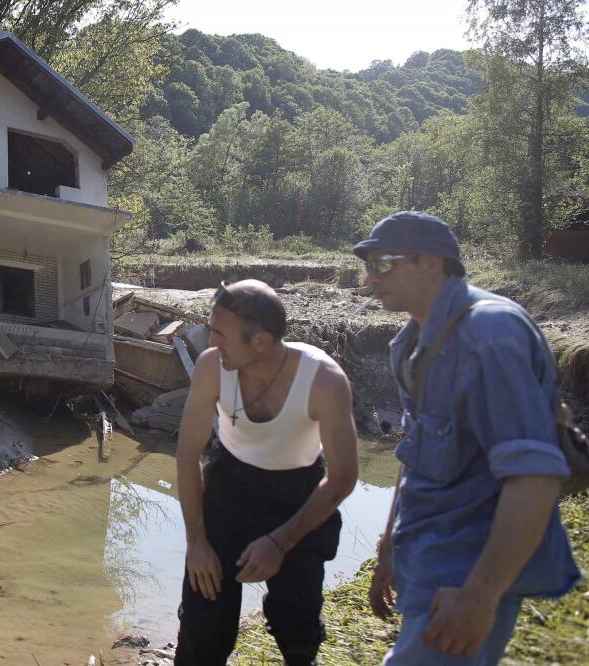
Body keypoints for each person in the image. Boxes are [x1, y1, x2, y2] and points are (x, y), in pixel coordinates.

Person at [354, 211, 581, 664]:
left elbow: (534, 475)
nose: (368, 278)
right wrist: (390, 548)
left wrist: (481, 594)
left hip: (468, 571)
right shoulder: (409, 343)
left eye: (383, 263)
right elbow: (415, 453)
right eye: (367, 265)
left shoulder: (490, 336)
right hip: (428, 556)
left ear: (430, 263)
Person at [174, 279, 358, 665]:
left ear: (260, 342)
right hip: (228, 485)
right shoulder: (213, 367)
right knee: (202, 621)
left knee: (297, 622)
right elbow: (188, 453)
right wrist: (197, 543)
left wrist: (279, 543)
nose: (211, 343)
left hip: (299, 494)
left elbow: (342, 478)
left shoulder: (324, 381)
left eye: (220, 334)